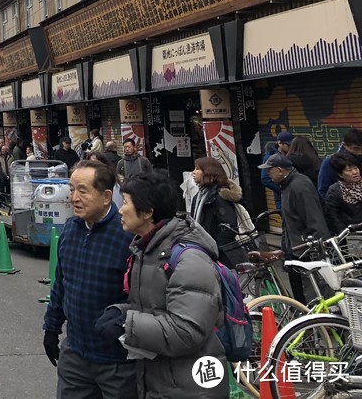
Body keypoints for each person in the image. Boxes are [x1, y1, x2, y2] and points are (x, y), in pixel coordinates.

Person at [107, 171, 228, 398]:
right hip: (162, 382)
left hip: (190, 388)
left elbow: (187, 331)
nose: (120, 210)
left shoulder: (188, 260)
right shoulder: (146, 249)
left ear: (148, 212)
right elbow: (158, 309)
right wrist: (121, 312)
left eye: (125, 203)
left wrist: (127, 323)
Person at [43, 161, 135, 399]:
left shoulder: (127, 235)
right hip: (75, 354)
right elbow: (61, 284)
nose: (73, 198)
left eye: (82, 190)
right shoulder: (71, 229)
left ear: (106, 196)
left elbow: (144, 297)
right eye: (71, 189)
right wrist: (51, 328)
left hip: (118, 360)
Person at [260, 152, 329, 302]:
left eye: (269, 170)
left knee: (311, 291)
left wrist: (318, 248)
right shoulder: (287, 185)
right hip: (296, 249)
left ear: (279, 170)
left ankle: (316, 322)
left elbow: (314, 218)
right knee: (300, 290)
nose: (267, 174)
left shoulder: (300, 186)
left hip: (306, 250)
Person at [187, 157, 245, 269]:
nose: (193, 172)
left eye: (197, 169)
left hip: (221, 256)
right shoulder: (199, 196)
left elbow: (229, 227)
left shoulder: (218, 196)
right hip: (205, 251)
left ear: (209, 172)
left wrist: (214, 248)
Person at [318, 129, 362, 200]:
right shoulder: (329, 162)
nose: (360, 153)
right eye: (356, 149)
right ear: (345, 145)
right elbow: (323, 190)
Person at [324, 151, 362, 233]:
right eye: (349, 170)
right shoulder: (334, 191)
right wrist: (345, 233)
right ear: (340, 174)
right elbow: (332, 217)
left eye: (355, 168)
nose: (355, 172)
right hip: (352, 236)